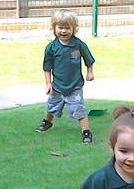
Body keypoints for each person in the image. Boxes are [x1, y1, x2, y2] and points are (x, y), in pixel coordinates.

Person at [35, 10, 96, 144]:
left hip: (75, 86)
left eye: (67, 28)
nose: (63, 31)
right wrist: (48, 83)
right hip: (57, 86)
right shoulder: (51, 48)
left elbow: (89, 59)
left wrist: (90, 72)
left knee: (78, 108)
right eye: (60, 27)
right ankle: (47, 122)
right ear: (54, 28)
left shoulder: (78, 44)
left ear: (74, 29)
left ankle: (86, 131)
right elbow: (47, 67)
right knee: (52, 105)